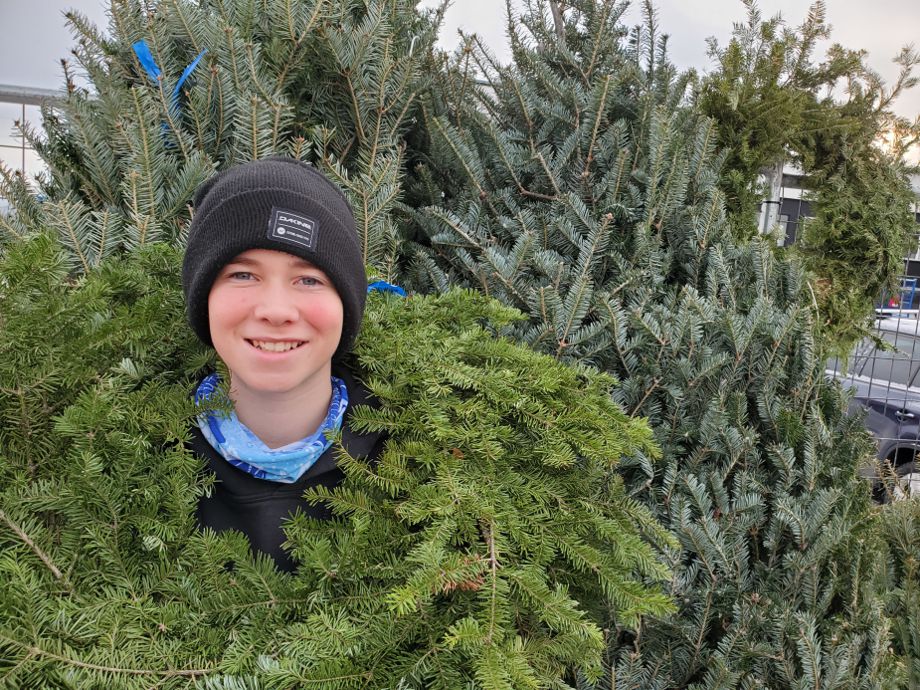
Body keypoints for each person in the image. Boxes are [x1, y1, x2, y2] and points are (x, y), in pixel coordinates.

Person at [181, 157, 385, 572]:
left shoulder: (414, 462)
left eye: (309, 279)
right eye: (242, 275)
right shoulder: (142, 459)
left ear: (346, 304)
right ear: (205, 298)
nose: (276, 311)